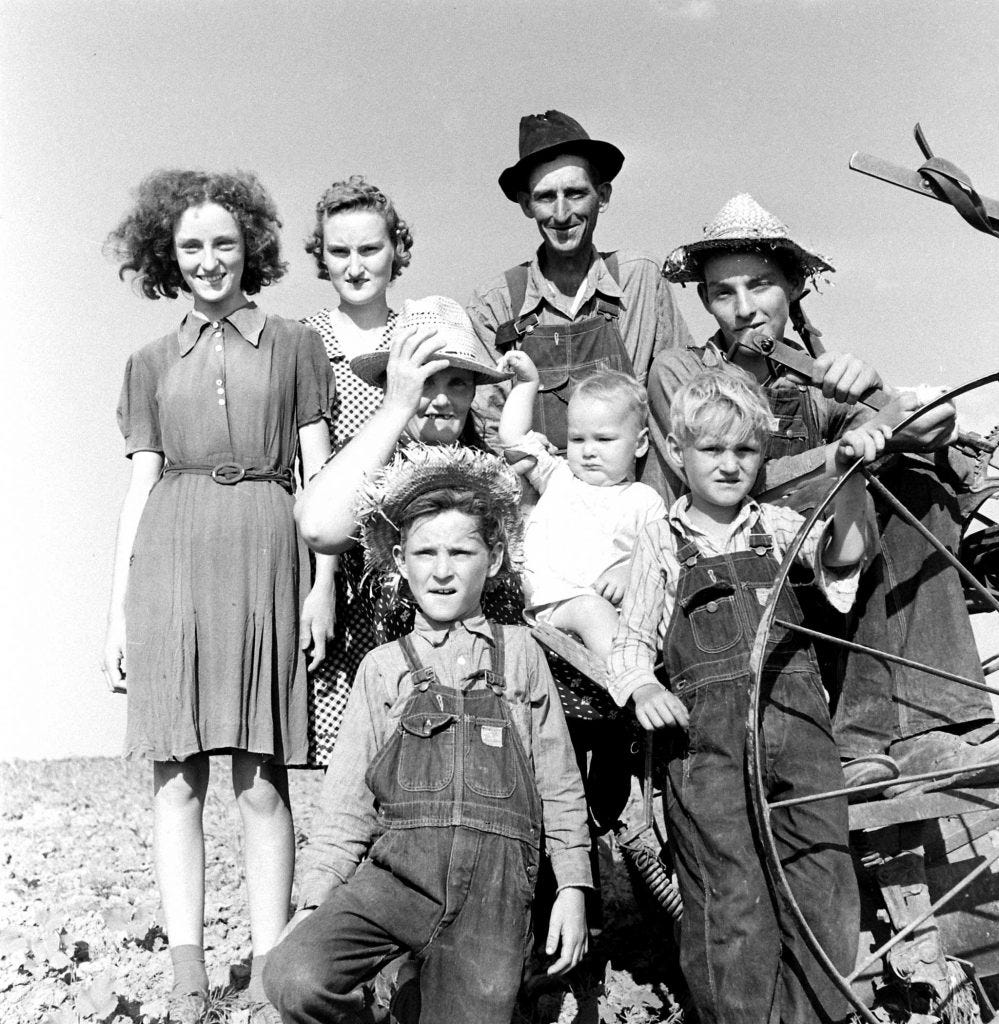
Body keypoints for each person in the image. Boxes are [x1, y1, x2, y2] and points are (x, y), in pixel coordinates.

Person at [649, 193, 996, 791]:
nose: (743, 309)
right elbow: (722, 489)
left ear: (793, 289)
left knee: (918, 486)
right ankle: (863, 738)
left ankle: (936, 725)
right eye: (722, 293)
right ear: (705, 301)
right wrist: (849, 449)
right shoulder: (683, 373)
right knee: (869, 489)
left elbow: (916, 428)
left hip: (825, 547)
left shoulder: (816, 373)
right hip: (730, 555)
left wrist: (893, 403)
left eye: (759, 286)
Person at [101, 170, 336, 1024]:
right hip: (169, 557)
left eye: (224, 244)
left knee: (261, 778)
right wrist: (113, 614)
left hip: (269, 549)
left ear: (252, 251)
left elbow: (321, 479)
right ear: (169, 254)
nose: (208, 260)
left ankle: (274, 967)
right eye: (191, 245)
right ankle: (188, 974)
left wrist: (324, 583)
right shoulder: (150, 362)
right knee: (176, 779)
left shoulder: (296, 345)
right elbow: (138, 489)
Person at [264, 445, 592, 1024]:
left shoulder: (521, 654)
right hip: (397, 882)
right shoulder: (383, 667)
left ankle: (415, 993)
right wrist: (314, 899)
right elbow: (346, 805)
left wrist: (572, 889)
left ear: (492, 560)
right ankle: (396, 987)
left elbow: (560, 784)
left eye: (461, 552)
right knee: (294, 976)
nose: (442, 570)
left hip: (492, 896)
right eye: (426, 552)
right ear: (400, 560)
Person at [609, 368, 887, 1024]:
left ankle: (814, 1015)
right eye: (712, 450)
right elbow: (627, 645)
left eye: (744, 450)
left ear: (761, 455)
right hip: (704, 753)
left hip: (797, 733)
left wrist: (849, 483)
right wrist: (643, 684)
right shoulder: (659, 541)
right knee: (727, 902)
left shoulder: (784, 524)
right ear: (676, 452)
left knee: (822, 883)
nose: (729, 465)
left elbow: (842, 564)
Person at [467, 109, 693, 454]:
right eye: (545, 197)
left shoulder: (640, 280)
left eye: (575, 193)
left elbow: (684, 399)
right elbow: (490, 429)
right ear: (527, 204)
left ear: (602, 196)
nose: (561, 214)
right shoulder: (495, 303)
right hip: (537, 496)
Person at [301, 176, 414, 766]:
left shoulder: (418, 333)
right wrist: (321, 585)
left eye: (369, 249)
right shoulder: (306, 342)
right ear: (320, 256)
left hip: (412, 543)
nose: (355, 265)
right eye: (339, 251)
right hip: (342, 554)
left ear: (396, 248)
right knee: (345, 727)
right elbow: (316, 470)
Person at [497, 355, 665, 661]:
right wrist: (527, 384)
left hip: (618, 608)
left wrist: (631, 570)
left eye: (604, 439)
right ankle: (633, 680)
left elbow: (663, 554)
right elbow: (512, 439)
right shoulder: (559, 476)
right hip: (556, 601)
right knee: (591, 610)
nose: (588, 451)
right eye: (577, 439)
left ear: (640, 444)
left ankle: (642, 671)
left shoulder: (643, 499)